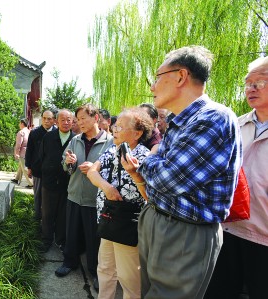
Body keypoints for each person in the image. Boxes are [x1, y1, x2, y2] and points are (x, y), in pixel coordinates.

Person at [124, 46, 241, 298]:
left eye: (157, 77)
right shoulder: (181, 121)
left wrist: (146, 162)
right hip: (160, 219)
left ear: (180, 76)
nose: (152, 87)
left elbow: (168, 179)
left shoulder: (213, 118)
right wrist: (154, 161)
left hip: (185, 232)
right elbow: (161, 169)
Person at [205, 57, 268, 299]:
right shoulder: (236, 125)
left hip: (264, 237)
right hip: (229, 228)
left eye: (259, 82)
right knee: (219, 291)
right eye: (248, 83)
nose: (251, 89)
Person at [87, 108, 153, 299]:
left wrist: (134, 172)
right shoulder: (112, 150)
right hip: (108, 217)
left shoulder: (145, 157)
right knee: (105, 268)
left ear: (137, 133)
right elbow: (92, 171)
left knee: (128, 277)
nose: (115, 129)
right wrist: (107, 187)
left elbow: (149, 195)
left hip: (127, 223)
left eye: (121, 127)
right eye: (115, 126)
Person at [55, 104, 113, 292]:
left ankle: (96, 272)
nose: (79, 123)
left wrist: (96, 170)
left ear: (96, 118)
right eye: (77, 119)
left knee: (93, 238)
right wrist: (68, 162)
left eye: (83, 119)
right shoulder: (75, 140)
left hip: (95, 199)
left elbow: (114, 170)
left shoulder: (110, 142)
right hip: (74, 196)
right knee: (71, 232)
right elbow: (65, 166)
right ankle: (69, 262)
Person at [40, 109, 74, 252]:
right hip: (49, 181)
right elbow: (41, 156)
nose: (66, 123)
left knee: (63, 214)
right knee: (47, 213)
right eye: (63, 120)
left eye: (69, 120)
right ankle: (46, 240)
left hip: (67, 183)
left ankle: (60, 240)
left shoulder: (76, 138)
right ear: (57, 121)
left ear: (72, 122)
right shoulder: (48, 137)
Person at [25, 110, 56, 220]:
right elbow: (29, 151)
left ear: (54, 120)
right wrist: (28, 167)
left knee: (51, 195)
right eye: (44, 118)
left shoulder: (57, 132)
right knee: (38, 194)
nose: (46, 121)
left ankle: (49, 217)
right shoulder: (35, 132)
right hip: (37, 170)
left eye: (49, 118)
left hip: (52, 171)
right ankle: (37, 215)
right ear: (42, 118)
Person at [11, 119, 33, 188]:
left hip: (23, 152)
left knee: (24, 168)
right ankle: (17, 179)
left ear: (22, 123)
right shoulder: (29, 131)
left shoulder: (21, 132)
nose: (19, 125)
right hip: (29, 151)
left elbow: (18, 145)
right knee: (21, 166)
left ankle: (32, 183)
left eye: (19, 123)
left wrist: (16, 153)